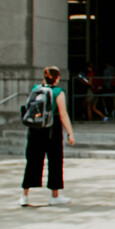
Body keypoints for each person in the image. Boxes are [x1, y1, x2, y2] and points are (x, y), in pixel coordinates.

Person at [20, 66, 76, 207]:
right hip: (52, 129)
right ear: (57, 77)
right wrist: (70, 132)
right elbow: (63, 114)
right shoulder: (58, 92)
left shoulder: (35, 88)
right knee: (55, 161)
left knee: (32, 161)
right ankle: (54, 196)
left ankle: (24, 196)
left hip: (35, 129)